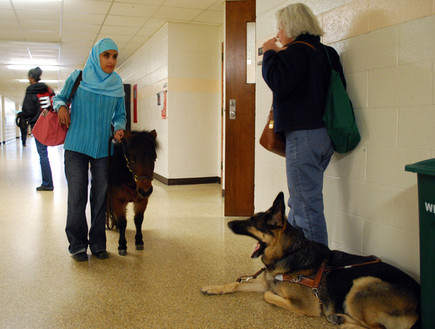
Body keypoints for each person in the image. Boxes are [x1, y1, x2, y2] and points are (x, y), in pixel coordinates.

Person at [261, 3, 347, 246]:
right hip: (324, 137)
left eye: (279, 28)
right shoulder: (328, 53)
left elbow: (278, 82)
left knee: (306, 206)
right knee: (300, 203)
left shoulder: (295, 51)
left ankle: (316, 268)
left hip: (303, 136)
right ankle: (298, 260)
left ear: (291, 27)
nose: (277, 34)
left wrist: (269, 53)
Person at [53, 38, 126, 261]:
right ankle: (77, 245)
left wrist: (120, 128)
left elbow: (120, 115)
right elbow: (59, 98)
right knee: (77, 197)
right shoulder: (79, 76)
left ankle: (98, 244)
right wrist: (63, 106)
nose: (111, 60)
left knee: (100, 198)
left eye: (114, 56)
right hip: (76, 147)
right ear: (97, 56)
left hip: (103, 149)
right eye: (107, 55)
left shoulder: (117, 83)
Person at [20, 67, 55, 191]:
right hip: (50, 124)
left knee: (43, 154)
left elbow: (27, 110)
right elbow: (54, 104)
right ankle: (48, 182)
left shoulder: (30, 90)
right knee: (44, 154)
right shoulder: (48, 88)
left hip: (38, 126)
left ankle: (47, 183)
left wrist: (22, 116)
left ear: (31, 77)